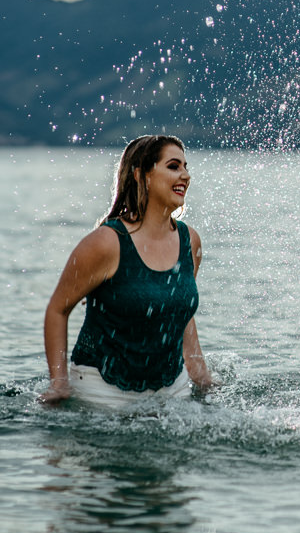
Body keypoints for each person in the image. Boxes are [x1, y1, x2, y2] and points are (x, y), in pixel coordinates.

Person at [40, 134, 214, 408]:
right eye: (173, 166)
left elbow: (178, 311)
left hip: (172, 392)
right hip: (101, 393)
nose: (185, 175)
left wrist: (201, 375)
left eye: (185, 166)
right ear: (141, 174)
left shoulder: (190, 241)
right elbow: (57, 310)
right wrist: (59, 383)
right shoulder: (105, 243)